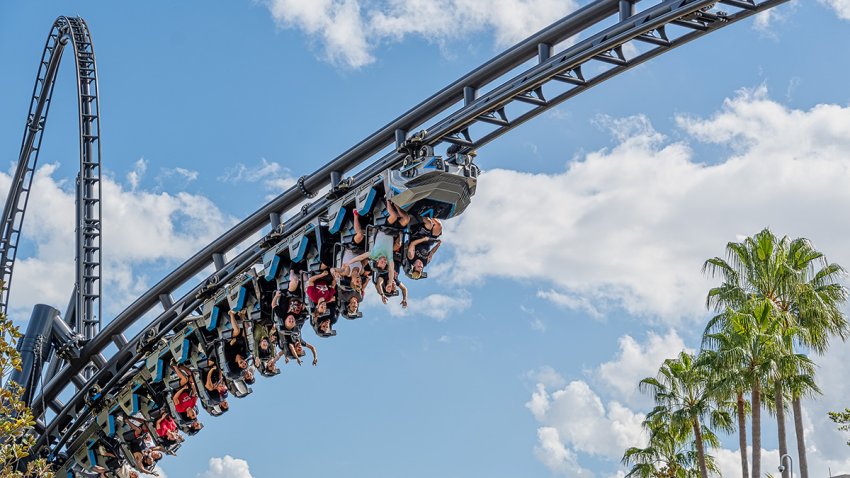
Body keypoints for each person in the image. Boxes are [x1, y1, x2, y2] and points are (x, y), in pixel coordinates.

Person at [224, 309, 251, 374]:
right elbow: (244, 343)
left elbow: (225, 350)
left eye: (243, 366)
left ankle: (231, 314)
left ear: (239, 365)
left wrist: (230, 344)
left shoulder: (231, 360)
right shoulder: (244, 354)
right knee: (247, 330)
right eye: (245, 364)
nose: (244, 364)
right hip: (238, 339)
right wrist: (243, 336)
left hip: (228, 341)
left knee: (237, 331)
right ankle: (241, 315)